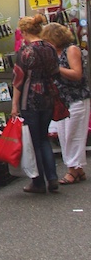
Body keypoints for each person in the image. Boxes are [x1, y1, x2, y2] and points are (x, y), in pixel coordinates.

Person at [11, 14, 61, 193]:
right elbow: (56, 71)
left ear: (24, 32)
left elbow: (18, 80)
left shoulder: (25, 51)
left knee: (34, 141)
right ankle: (53, 177)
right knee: (44, 138)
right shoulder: (50, 48)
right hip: (48, 96)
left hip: (29, 98)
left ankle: (38, 182)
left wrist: (14, 106)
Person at [40, 22, 91, 184]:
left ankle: (72, 170)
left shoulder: (71, 50)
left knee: (73, 134)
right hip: (61, 99)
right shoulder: (54, 52)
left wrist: (56, 68)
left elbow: (77, 74)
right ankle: (78, 169)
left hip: (76, 97)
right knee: (64, 134)